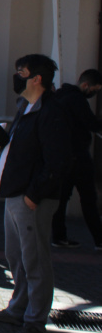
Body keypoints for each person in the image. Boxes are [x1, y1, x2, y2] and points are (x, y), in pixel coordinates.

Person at [0, 54, 70, 333]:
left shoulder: (52, 112)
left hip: (31, 199)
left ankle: (35, 323)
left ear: (37, 79)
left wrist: (34, 195)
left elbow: (57, 161)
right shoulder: (25, 107)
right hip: (15, 194)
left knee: (35, 261)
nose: (16, 77)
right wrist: (0, 138)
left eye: (21, 72)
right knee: (16, 257)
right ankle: (18, 309)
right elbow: (20, 148)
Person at [51, 68, 102, 249]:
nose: (94, 93)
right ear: (85, 85)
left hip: (62, 157)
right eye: (95, 89)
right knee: (88, 199)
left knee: (61, 199)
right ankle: (99, 239)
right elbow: (92, 123)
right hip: (78, 157)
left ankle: (58, 237)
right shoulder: (77, 100)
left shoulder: (60, 96)